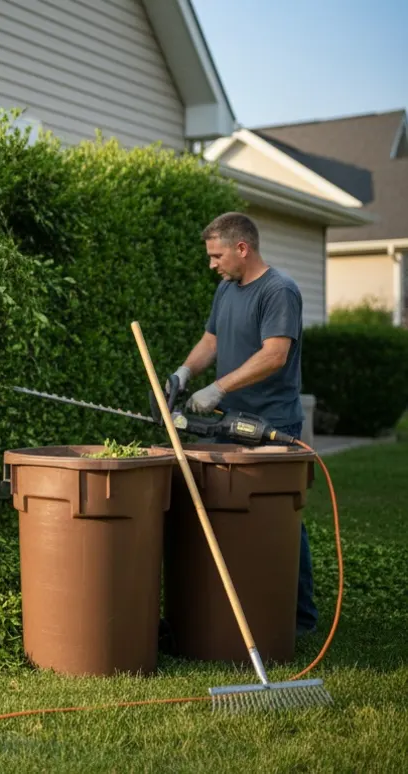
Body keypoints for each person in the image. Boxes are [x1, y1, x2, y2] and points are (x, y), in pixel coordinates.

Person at [166, 211, 317, 636]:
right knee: (237, 511)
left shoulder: (279, 290)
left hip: (272, 420)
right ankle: (247, 603)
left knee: (281, 517)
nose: (212, 264)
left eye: (216, 255)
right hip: (232, 420)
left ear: (241, 248)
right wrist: (184, 372)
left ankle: (300, 618)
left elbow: (275, 354)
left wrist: (217, 389)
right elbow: (211, 341)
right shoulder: (226, 290)